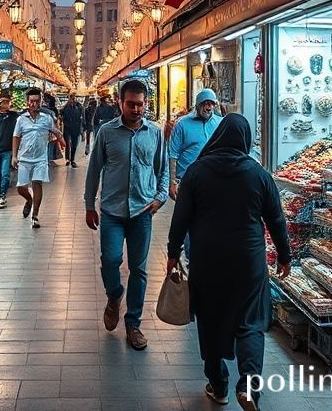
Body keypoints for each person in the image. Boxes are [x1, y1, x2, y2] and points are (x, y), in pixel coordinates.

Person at [166, 114, 291, 410]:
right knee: (251, 322)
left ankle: (218, 385)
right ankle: (248, 385)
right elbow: (276, 219)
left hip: (207, 259)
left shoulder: (196, 172)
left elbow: (180, 217)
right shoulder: (258, 174)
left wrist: (172, 253)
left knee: (209, 319)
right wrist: (285, 256)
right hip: (248, 261)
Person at [84, 79, 168, 351]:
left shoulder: (154, 133)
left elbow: (162, 169)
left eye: (140, 104)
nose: (136, 109)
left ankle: (133, 324)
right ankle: (114, 294)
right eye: (130, 104)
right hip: (112, 211)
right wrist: (89, 205)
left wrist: (160, 197)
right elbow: (94, 169)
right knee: (110, 260)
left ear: (146, 104)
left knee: (139, 270)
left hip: (142, 212)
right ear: (120, 103)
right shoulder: (106, 132)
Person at [168, 88, 222, 260]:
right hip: (187, 181)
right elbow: (172, 154)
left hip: (213, 181)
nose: (208, 107)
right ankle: (191, 258)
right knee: (187, 219)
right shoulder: (182, 124)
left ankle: (204, 256)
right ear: (198, 105)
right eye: (205, 103)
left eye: (211, 104)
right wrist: (172, 181)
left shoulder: (220, 123)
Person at [12, 87, 65, 228]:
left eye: (37, 101)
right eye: (32, 101)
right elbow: (16, 137)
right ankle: (29, 200)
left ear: (41, 101)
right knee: (21, 187)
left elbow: (56, 131)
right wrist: (14, 156)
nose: (34, 104)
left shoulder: (46, 118)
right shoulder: (21, 119)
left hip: (40, 158)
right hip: (24, 158)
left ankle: (35, 215)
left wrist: (61, 140)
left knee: (37, 183)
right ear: (27, 102)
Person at [61, 92, 83, 167]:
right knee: (67, 144)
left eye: (74, 98)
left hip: (75, 128)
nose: (72, 99)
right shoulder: (66, 107)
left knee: (74, 145)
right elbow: (61, 113)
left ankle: (72, 159)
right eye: (71, 98)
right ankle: (67, 159)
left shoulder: (79, 107)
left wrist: (81, 130)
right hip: (67, 128)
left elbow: (81, 117)